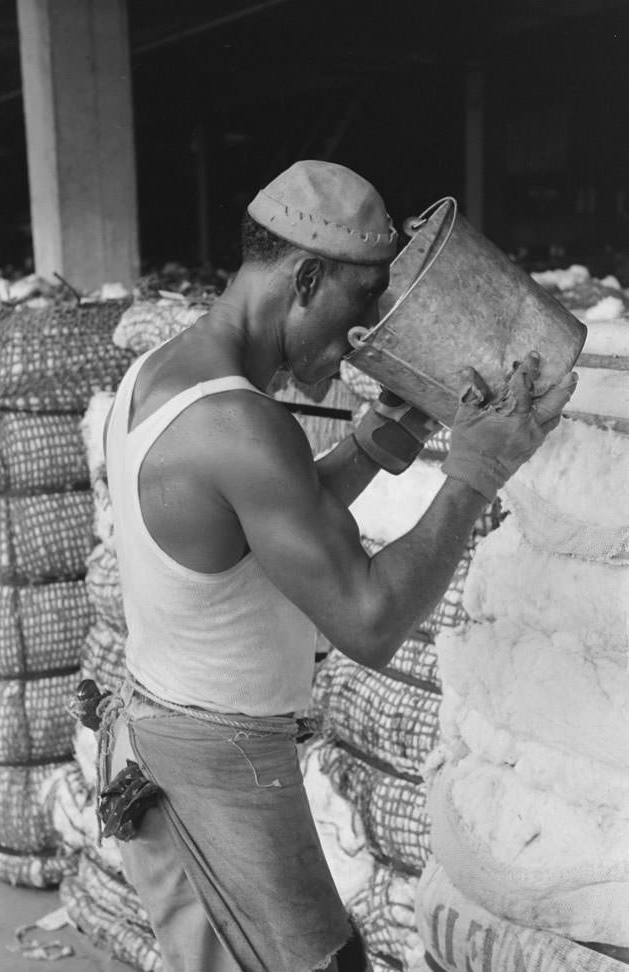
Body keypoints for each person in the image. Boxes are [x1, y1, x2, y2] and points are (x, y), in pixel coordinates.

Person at [101, 160, 577, 972]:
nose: (366, 334)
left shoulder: (168, 373)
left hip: (160, 732)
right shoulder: (241, 424)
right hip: (219, 759)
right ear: (307, 276)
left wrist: (378, 437)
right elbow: (369, 621)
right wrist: (473, 477)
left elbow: (249, 529)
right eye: (362, 303)